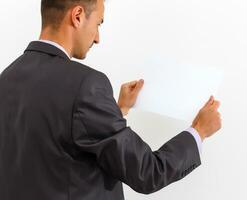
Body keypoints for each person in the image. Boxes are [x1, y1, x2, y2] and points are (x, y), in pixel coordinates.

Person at [0, 0, 222, 199]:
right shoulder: (86, 85)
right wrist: (198, 132)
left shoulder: (6, 78)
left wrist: (119, 109)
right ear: (77, 16)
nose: (97, 38)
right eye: (99, 23)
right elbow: (147, 172)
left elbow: (56, 146)